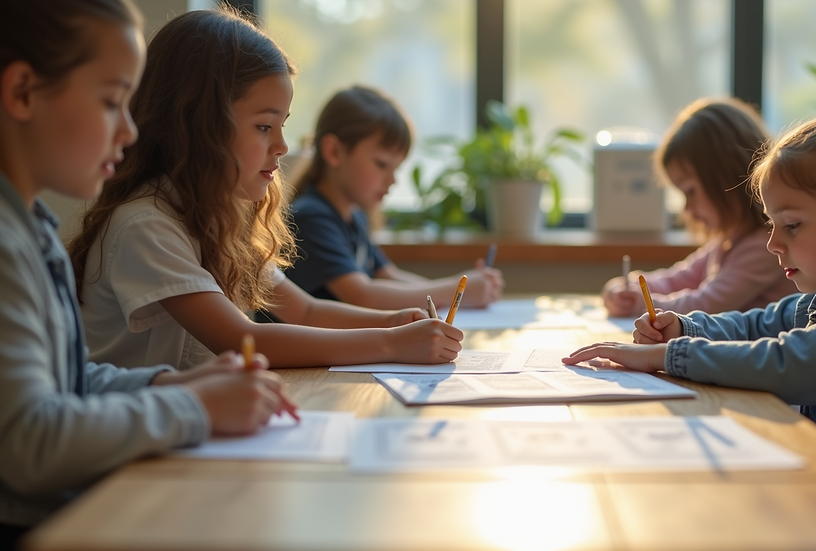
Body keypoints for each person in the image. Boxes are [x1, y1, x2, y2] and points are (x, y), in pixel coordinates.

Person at [565, 108, 816, 513]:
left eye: (792, 225)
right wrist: (683, 326)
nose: (773, 243)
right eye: (771, 224)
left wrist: (666, 355)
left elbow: (790, 364)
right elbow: (757, 325)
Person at [0, 1, 295, 545]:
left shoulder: (30, 228)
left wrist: (174, 382)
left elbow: (71, 384)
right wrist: (193, 405)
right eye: (112, 102)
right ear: (21, 93)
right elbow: (29, 445)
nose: (130, 129)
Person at [68, 10, 463, 371]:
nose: (282, 146)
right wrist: (390, 342)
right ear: (199, 126)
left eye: (282, 126)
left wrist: (394, 321)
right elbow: (243, 340)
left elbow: (305, 311)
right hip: (142, 441)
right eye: (263, 127)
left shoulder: (220, 217)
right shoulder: (146, 225)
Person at [283, 85, 504, 310]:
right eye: (381, 164)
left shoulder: (354, 216)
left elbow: (388, 276)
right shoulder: (310, 218)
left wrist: (456, 294)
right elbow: (363, 294)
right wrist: (455, 289)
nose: (393, 180)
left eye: (396, 168)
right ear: (334, 152)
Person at [602, 98, 797, 317]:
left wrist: (642, 303)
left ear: (727, 177)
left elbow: (706, 305)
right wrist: (624, 288)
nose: (687, 209)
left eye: (690, 191)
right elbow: (677, 279)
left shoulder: (768, 246)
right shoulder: (728, 240)